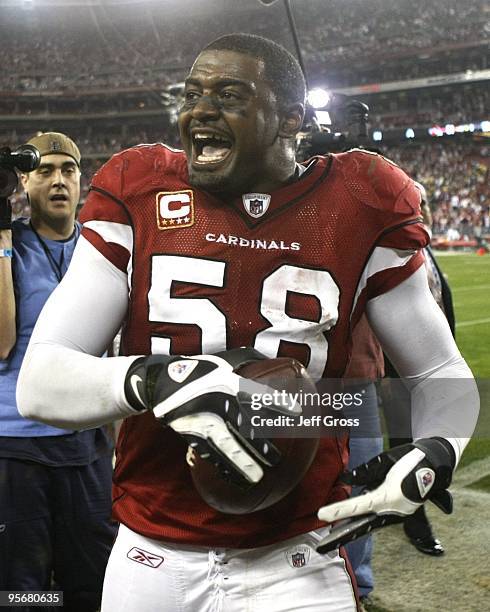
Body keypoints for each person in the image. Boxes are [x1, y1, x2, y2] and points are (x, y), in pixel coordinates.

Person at [17, 35, 478, 612]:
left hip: (298, 553)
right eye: (191, 94)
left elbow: (439, 368)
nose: (199, 111)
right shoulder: (140, 191)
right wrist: (156, 380)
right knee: (28, 586)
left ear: (291, 119)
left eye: (229, 94)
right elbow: (40, 380)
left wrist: (436, 450)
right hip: (152, 553)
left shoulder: (359, 201)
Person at [0, 132, 116, 611]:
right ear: (23, 181)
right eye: (44, 171)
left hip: (85, 444)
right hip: (16, 446)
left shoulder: (101, 247)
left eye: (67, 170)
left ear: (82, 179)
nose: (58, 181)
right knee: (24, 590)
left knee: (91, 581)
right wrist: (1, 243)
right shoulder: (11, 244)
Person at [382, 181, 456, 557]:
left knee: (424, 439)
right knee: (407, 445)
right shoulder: (389, 253)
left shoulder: (424, 249)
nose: (423, 210)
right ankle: (413, 519)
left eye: (425, 203)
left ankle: (409, 501)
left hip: (427, 367)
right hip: (396, 370)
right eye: (416, 203)